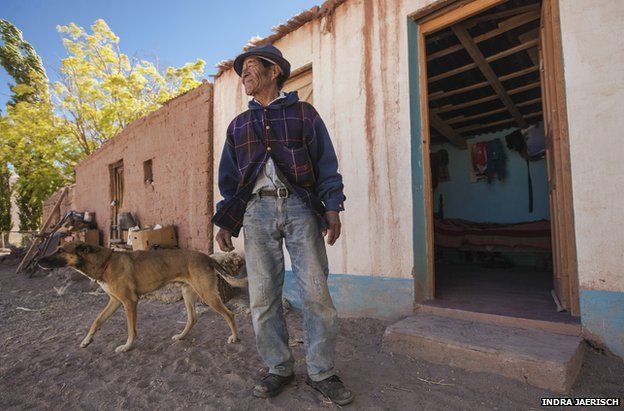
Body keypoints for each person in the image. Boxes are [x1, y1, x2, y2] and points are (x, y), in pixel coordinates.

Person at [211, 44, 352, 406]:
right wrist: (226, 221)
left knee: (316, 293)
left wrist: (332, 209)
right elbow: (229, 181)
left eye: (252, 67)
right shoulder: (238, 126)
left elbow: (325, 164)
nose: (244, 74)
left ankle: (321, 371)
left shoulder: (304, 114)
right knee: (262, 297)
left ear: (274, 71)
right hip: (256, 214)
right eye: (242, 69)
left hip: (302, 209)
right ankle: (279, 367)